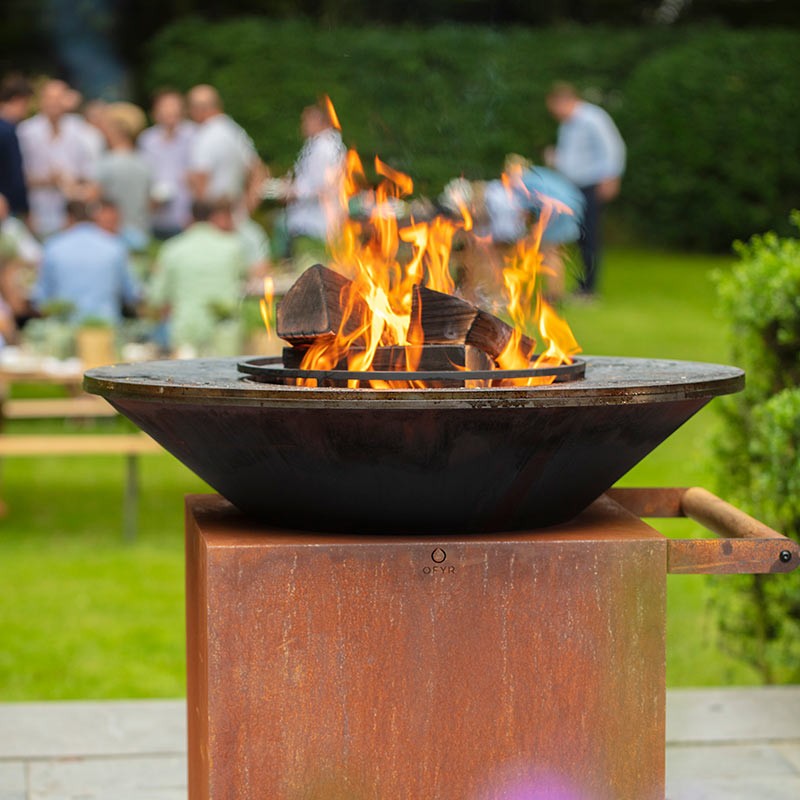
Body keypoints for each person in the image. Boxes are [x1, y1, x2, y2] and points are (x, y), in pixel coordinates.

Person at [546, 82, 625, 297]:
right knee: (578, 238)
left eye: (554, 108)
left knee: (589, 236)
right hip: (572, 188)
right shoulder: (567, 125)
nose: (554, 114)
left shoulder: (593, 118)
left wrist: (611, 178)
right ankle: (580, 286)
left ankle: (589, 289)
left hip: (591, 185)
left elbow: (613, 147)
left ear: (564, 100)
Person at [147, 200, 249, 356]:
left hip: (186, 329)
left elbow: (156, 296)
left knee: (185, 378)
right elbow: (245, 284)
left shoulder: (172, 249)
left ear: (189, 218)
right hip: (224, 332)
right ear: (212, 217)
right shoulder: (232, 247)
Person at [31, 200, 140, 324]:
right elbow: (131, 294)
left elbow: (41, 299)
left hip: (64, 328)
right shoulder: (115, 246)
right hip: (106, 328)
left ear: (68, 218)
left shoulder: (52, 246)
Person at [17, 79, 97, 237]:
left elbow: (89, 174)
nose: (53, 103)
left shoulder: (80, 130)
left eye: (58, 98)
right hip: (38, 210)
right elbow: (19, 176)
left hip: (72, 213)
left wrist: (74, 185)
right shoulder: (26, 131)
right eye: (49, 98)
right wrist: (47, 180)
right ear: (40, 101)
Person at [283, 100, 347, 267]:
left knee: (310, 271)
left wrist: (292, 192)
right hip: (317, 222)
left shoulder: (324, 148)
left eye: (307, 120)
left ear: (320, 122)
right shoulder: (325, 145)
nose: (303, 125)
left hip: (314, 223)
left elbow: (322, 187)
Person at [186, 84, 264, 215]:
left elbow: (200, 179)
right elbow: (258, 172)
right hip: (235, 215)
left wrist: (201, 218)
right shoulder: (235, 130)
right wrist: (247, 207)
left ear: (198, 110)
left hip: (213, 217)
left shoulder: (204, 136)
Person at [91, 101, 152, 250]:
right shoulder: (144, 163)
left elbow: (93, 197)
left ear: (116, 129)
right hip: (140, 234)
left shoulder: (105, 164)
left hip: (111, 237)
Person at [138, 89, 196, 239]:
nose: (169, 111)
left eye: (173, 107)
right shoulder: (147, 139)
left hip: (185, 214)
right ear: (156, 112)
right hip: (156, 214)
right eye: (165, 107)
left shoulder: (193, 135)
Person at [0, 75, 33, 220]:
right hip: (7, 208)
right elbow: (15, 178)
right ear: (18, 100)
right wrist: (25, 210)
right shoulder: (8, 132)